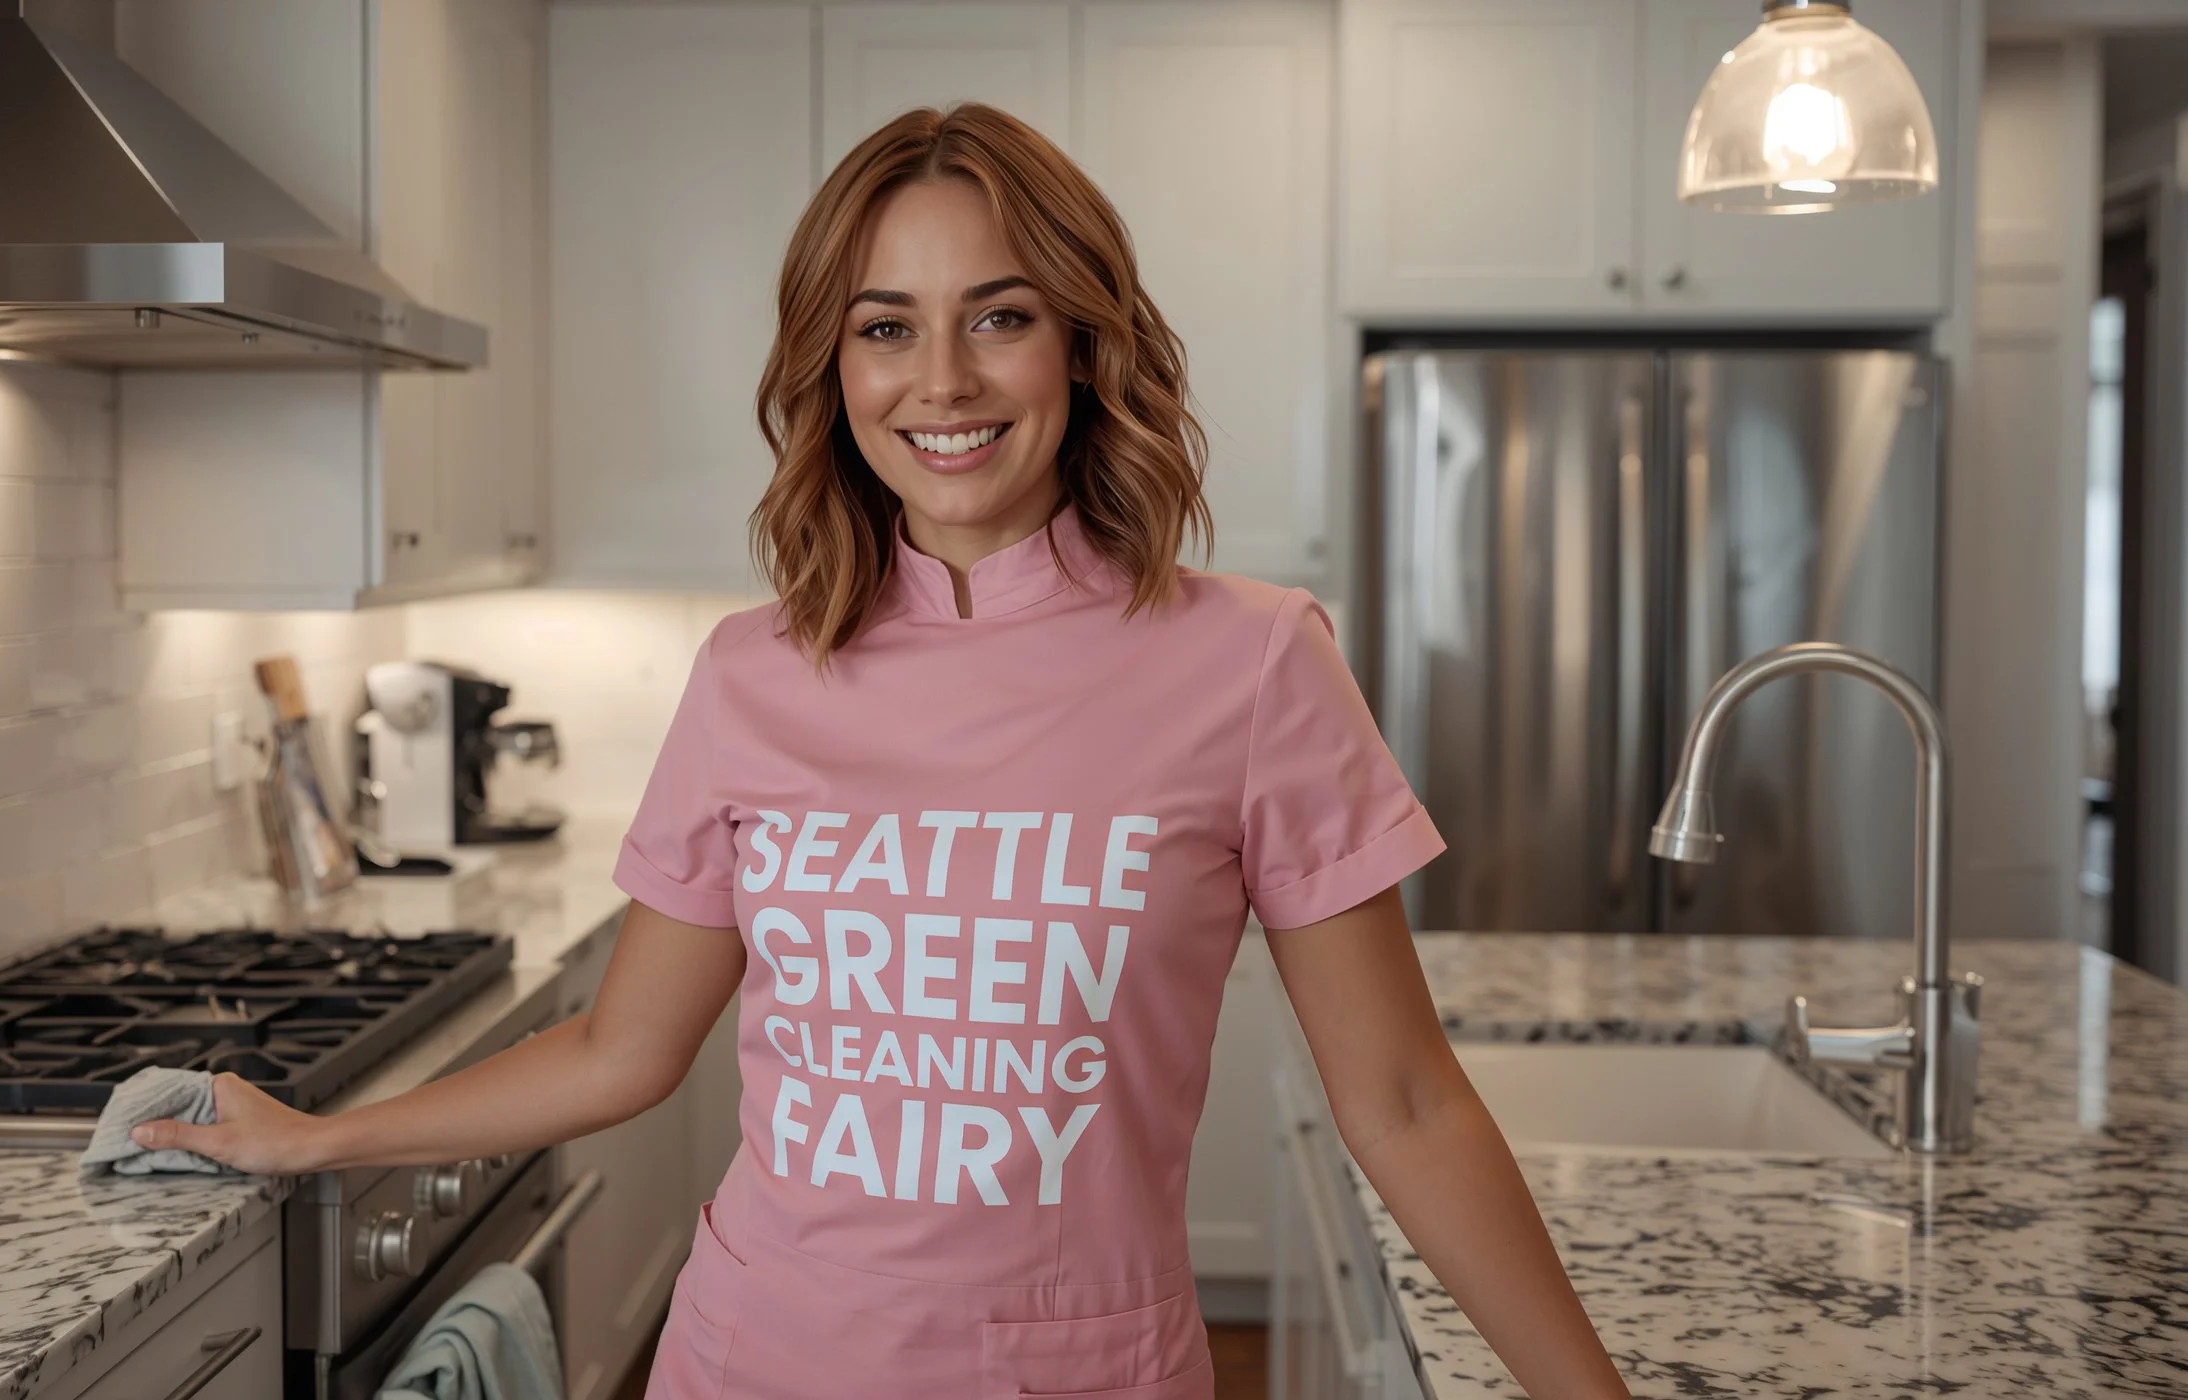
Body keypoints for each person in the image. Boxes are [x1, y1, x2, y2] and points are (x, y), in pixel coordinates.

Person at [132, 103, 1633, 1400]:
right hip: (751, 1358)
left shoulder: (1250, 662)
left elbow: (1406, 1103)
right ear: (834, 368)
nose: (945, 382)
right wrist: (317, 1141)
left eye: (1001, 315)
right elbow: (620, 1051)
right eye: (886, 327)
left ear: (1084, 342)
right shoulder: (752, 674)